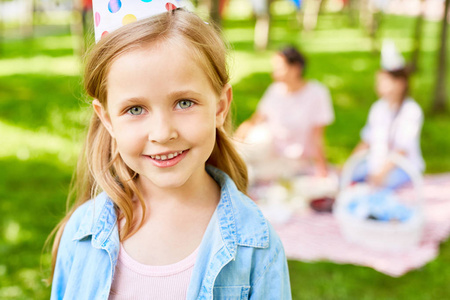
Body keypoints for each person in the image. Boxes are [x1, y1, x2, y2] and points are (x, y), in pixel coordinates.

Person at [48, 3, 291, 299]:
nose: (163, 133)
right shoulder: (81, 234)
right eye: (135, 109)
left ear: (220, 106)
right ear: (107, 119)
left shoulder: (256, 246)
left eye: (184, 102)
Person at [235, 46, 335, 179]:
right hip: (268, 151)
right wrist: (234, 143)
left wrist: (321, 168)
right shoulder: (275, 90)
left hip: (294, 160)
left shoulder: (317, 93)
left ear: (296, 68)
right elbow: (254, 121)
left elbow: (317, 136)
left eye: (279, 68)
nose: (274, 73)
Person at [351, 40, 425, 189]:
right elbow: (367, 140)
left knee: (381, 186)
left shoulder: (411, 111)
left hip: (402, 166)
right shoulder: (378, 108)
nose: (379, 86)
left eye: (385, 81)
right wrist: (350, 164)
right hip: (377, 162)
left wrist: (381, 173)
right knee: (349, 177)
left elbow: (402, 150)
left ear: (401, 83)